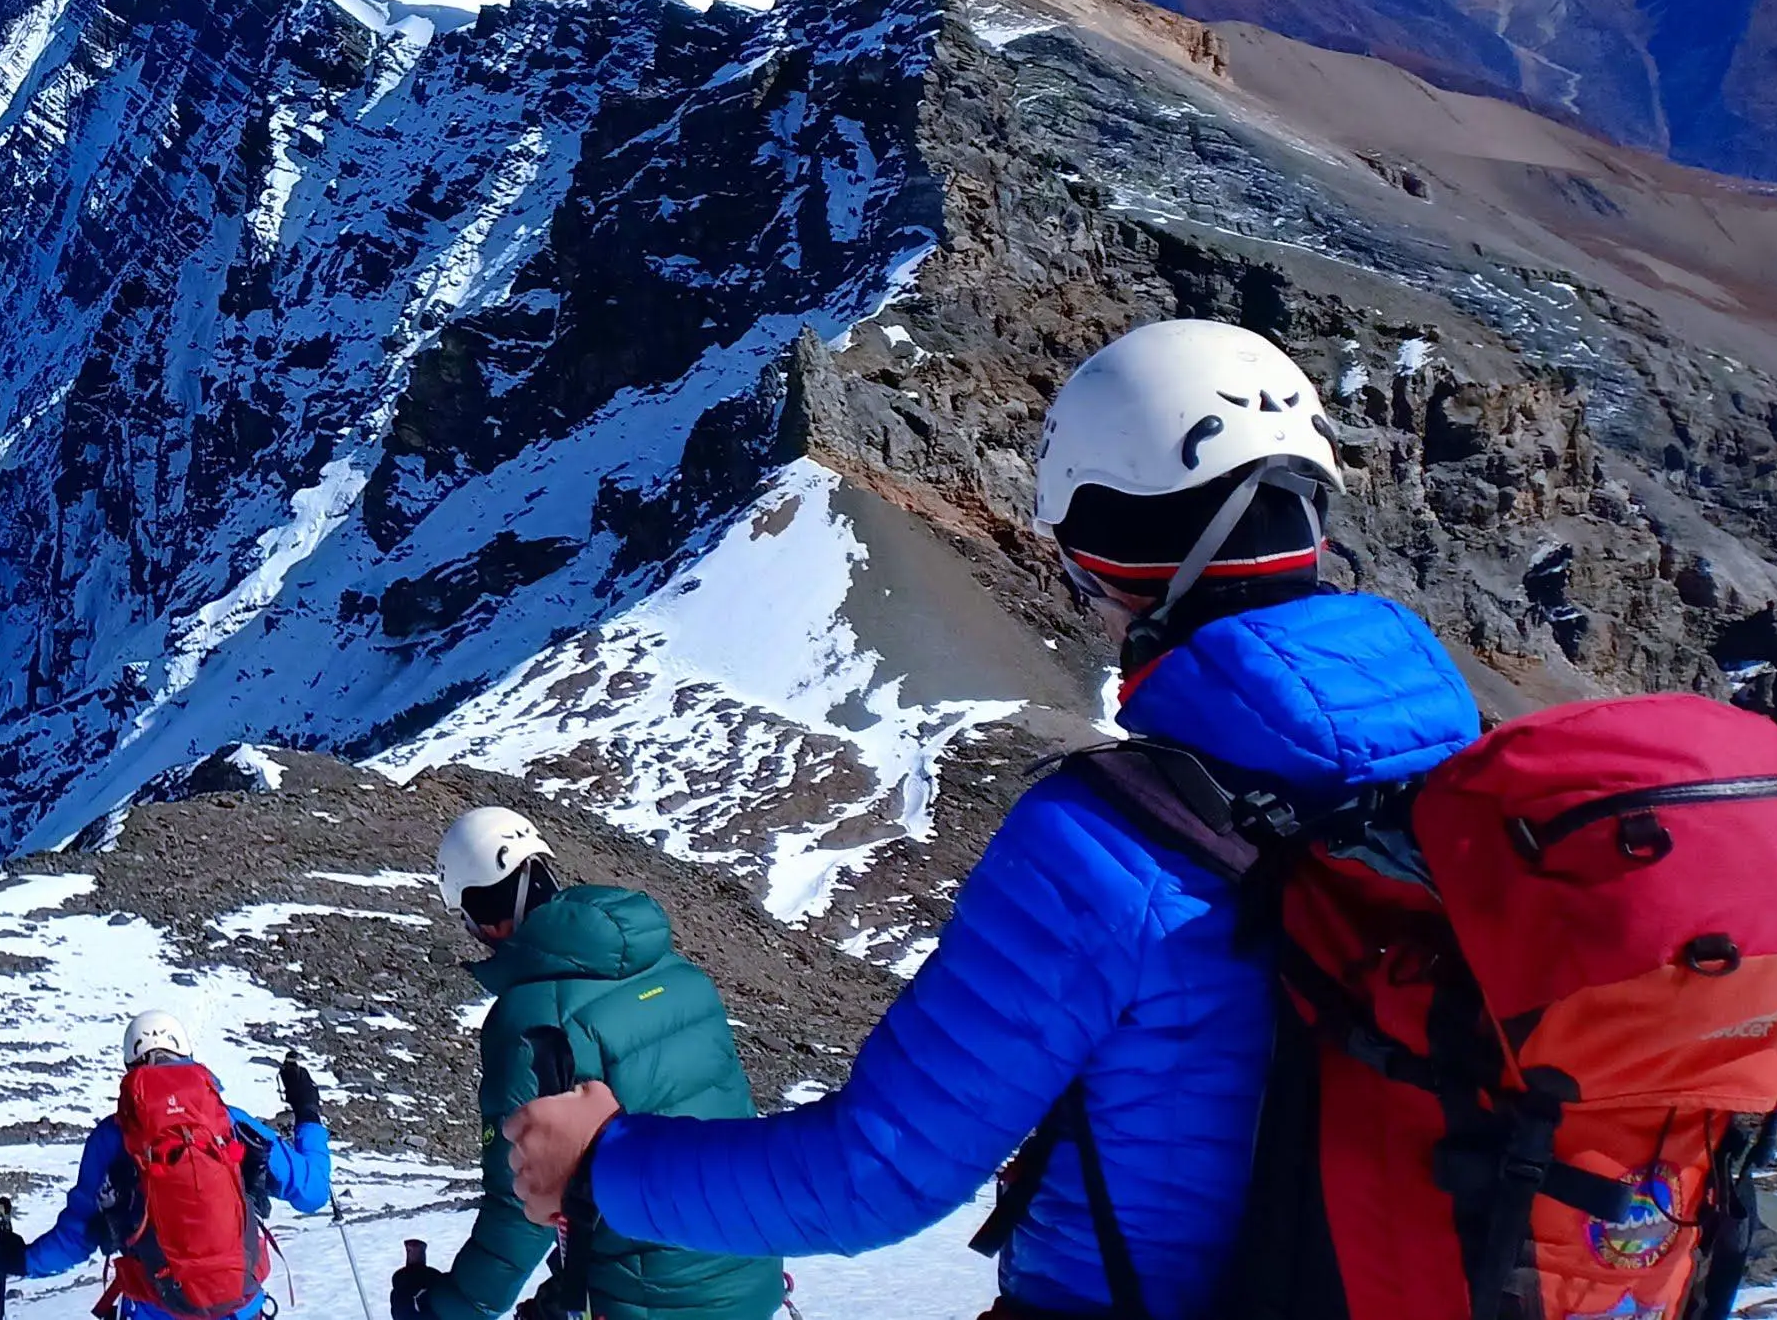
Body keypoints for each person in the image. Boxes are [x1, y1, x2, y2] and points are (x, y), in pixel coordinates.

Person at [498, 319, 1483, 1320]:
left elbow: (871, 1176)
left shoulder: (1109, 846)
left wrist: (602, 1166)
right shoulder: (1463, 783)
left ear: (1105, 554)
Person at [389, 807, 783, 1320]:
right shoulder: (674, 970)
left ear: (481, 915)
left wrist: (447, 1307)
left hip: (652, 1301)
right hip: (753, 1265)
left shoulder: (531, 1016)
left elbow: (523, 1200)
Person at [0, 1010, 333, 1320]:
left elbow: (77, 1238)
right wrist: (308, 1112)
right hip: (239, 1307)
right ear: (187, 1056)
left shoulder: (112, 1138)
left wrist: (22, 1260)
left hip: (155, 1307)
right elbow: (312, 1191)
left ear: (129, 1067)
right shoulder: (228, 1124)